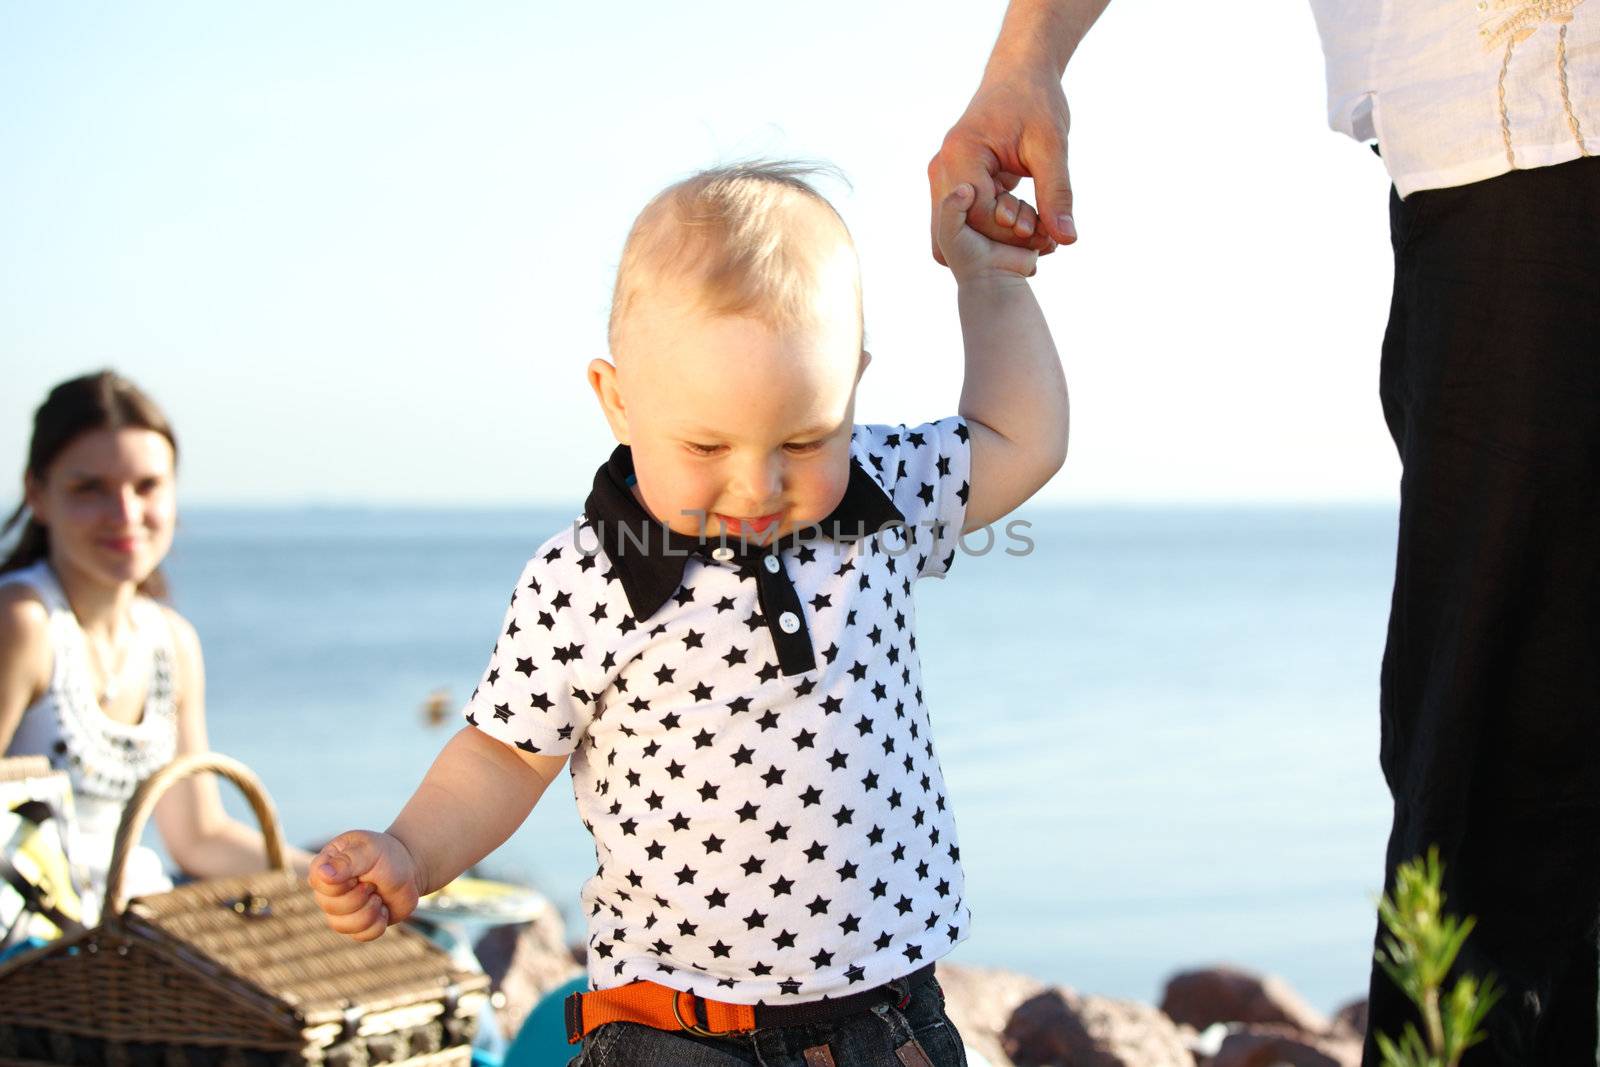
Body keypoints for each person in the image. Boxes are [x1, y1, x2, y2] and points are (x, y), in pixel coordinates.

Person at [928, 3, 1600, 1064]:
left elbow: (1009, 443)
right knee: (1501, 814)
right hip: (1517, 128)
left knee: (1499, 814)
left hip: (1538, 135)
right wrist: (1026, 61)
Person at [309, 160, 1068, 1067]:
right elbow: (504, 755)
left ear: (852, 389)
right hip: (680, 1030)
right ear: (618, 401)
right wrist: (411, 851)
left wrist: (989, 283)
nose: (758, 484)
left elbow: (1022, 440)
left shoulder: (878, 488)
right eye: (707, 444)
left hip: (888, 1017)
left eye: (802, 437)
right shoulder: (586, 578)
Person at [0, 371, 311, 927]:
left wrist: (330, 879)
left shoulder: (172, 641)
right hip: (35, 962)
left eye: (146, 486)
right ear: (37, 495)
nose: (124, 513)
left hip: (141, 951)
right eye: (89, 488)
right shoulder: (23, 623)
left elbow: (198, 837)